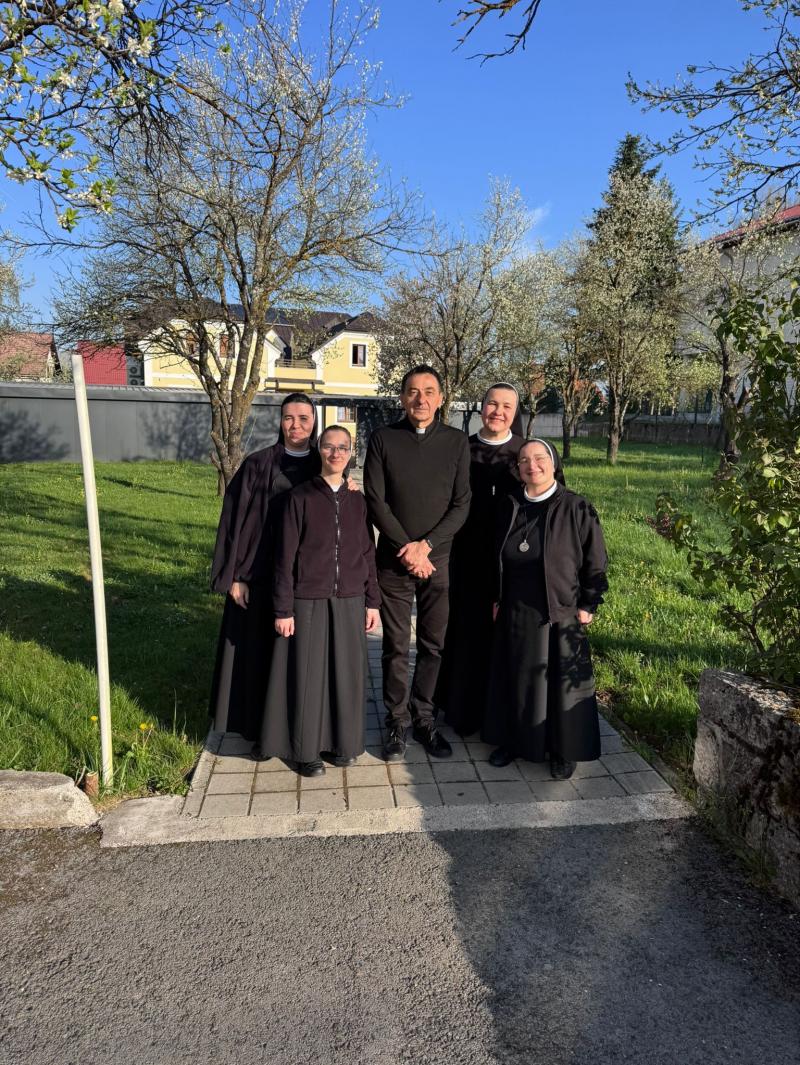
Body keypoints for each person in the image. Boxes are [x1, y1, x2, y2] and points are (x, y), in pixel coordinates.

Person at [364, 364, 471, 762]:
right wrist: (408, 549)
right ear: (402, 397)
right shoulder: (383, 438)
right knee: (394, 646)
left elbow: (462, 503)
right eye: (412, 391)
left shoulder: (456, 442)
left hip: (438, 561)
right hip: (393, 562)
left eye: (428, 391)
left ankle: (424, 717)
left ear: (440, 399)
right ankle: (396, 721)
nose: (420, 399)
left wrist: (425, 547)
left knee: (432, 645)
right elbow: (376, 500)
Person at [484, 438, 608, 779]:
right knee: (516, 678)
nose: (532, 465)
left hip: (559, 608)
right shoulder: (510, 504)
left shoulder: (577, 507)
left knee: (557, 685)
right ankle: (514, 741)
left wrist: (589, 602)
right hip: (515, 607)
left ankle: (562, 750)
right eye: (524, 460)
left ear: (554, 464)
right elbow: (496, 556)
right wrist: (497, 597)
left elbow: (596, 559)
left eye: (540, 458)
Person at [263, 426, 381, 776]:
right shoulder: (299, 498)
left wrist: (372, 601)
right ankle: (306, 750)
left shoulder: (358, 501)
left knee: (346, 675)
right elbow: (284, 558)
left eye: (343, 447)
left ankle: (344, 744)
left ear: (350, 453)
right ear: (320, 450)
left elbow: (367, 552)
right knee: (309, 677)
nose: (336, 453)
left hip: (350, 598)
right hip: (308, 598)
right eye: (329, 446)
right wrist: (283, 608)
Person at [208, 393, 321, 743]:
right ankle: (258, 730)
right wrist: (236, 575)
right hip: (258, 575)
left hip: (307, 580)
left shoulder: (326, 464)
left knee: (299, 661)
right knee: (258, 654)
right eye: (289, 418)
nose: (295, 425)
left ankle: (299, 730)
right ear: (280, 422)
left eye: (303, 418)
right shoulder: (258, 464)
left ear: (314, 422)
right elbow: (235, 521)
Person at [435, 382, 526, 738]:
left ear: (515, 413)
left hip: (512, 565)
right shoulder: (462, 449)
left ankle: (501, 716)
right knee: (465, 635)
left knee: (503, 640)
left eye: (506, 406)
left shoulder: (526, 453)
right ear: (481, 406)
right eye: (492, 404)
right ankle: (462, 711)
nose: (498, 412)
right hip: (465, 559)